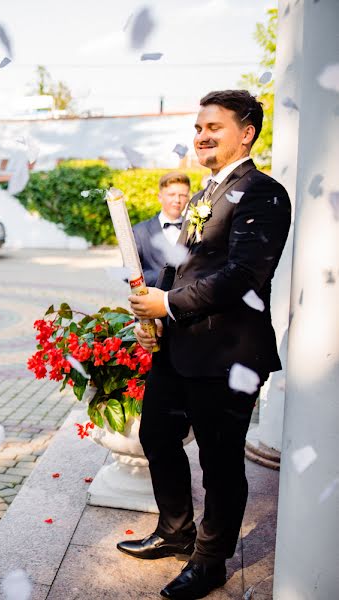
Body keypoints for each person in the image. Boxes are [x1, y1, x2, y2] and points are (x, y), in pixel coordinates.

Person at [123, 90, 291, 600]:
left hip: (229, 357)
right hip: (179, 349)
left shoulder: (265, 193)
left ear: (246, 133)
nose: (201, 135)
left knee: (220, 463)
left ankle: (211, 561)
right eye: (198, 127)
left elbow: (244, 275)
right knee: (156, 436)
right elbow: (179, 266)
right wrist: (151, 308)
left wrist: (168, 304)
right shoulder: (201, 197)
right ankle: (176, 532)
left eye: (213, 127)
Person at [133, 171, 191, 286]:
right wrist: (164, 278)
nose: (177, 200)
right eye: (171, 194)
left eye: (182, 195)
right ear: (160, 197)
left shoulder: (195, 228)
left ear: (188, 198)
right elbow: (130, 272)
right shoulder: (140, 231)